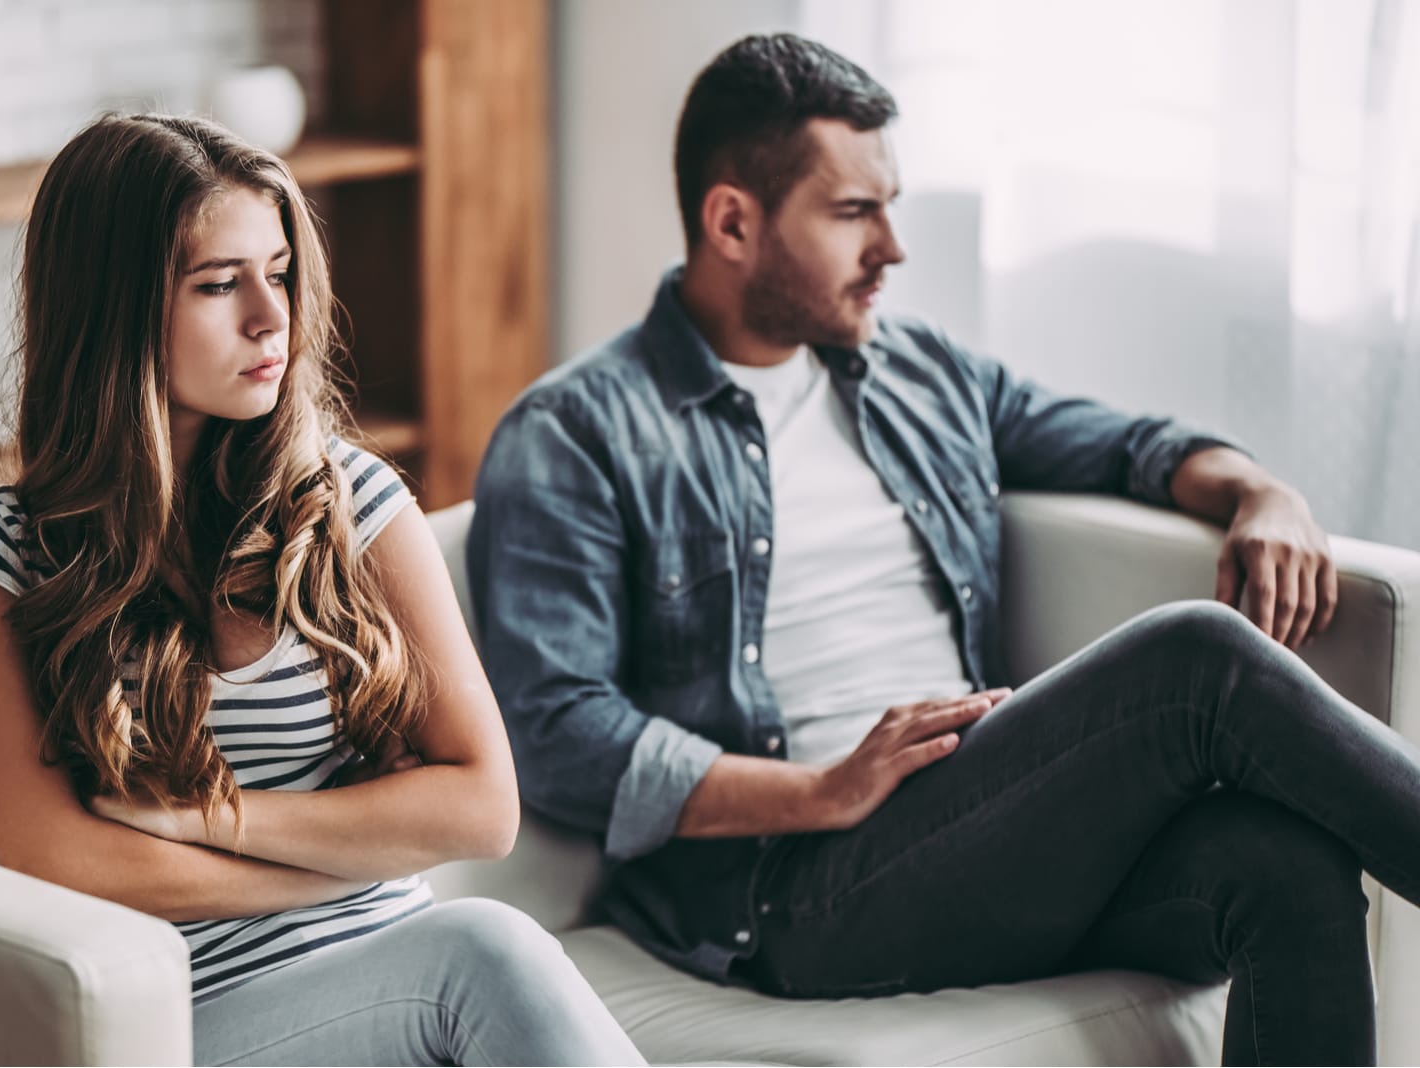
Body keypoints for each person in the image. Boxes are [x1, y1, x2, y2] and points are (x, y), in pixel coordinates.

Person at [466, 33, 1420, 1066]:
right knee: (1196, 661)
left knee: (1285, 865)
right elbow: (556, 733)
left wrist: (1257, 488)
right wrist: (821, 791)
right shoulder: (576, 432)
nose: (893, 246)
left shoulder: (914, 369)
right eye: (851, 213)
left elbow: (1123, 446)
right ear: (732, 221)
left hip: (975, 828)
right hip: (793, 886)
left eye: (890, 204)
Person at [0, 113, 643, 1068]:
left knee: (476, 959)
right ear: (114, 309)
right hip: (200, 1016)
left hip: (406, 987)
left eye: (281, 272)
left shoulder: (353, 499)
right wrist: (344, 861)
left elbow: (481, 808)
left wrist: (205, 821)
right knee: (486, 947)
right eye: (219, 284)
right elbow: (59, 859)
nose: (272, 317)